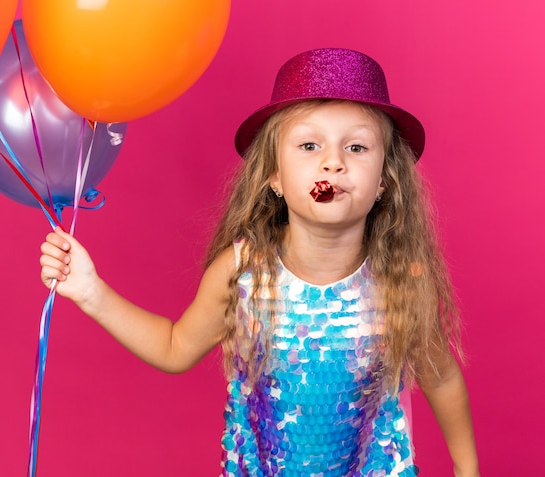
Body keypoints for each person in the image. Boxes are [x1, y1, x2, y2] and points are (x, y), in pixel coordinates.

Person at [40, 48, 479, 476]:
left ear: (384, 180)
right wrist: (91, 291)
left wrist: (467, 467)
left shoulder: (400, 281)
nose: (333, 163)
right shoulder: (241, 273)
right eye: (309, 145)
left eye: (357, 148)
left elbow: (440, 377)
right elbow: (174, 348)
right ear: (275, 177)